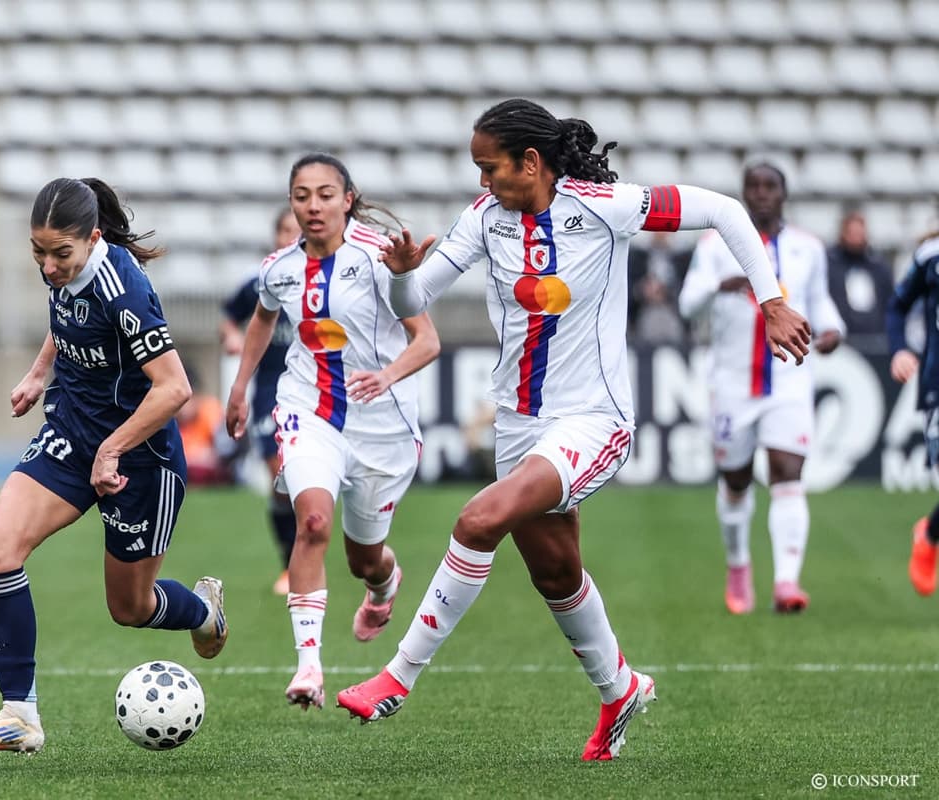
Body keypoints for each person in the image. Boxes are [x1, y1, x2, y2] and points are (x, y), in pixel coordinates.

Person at [335, 99, 811, 761]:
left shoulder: (606, 205)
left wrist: (773, 301)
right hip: (518, 426)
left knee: (478, 521)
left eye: (489, 167)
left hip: (593, 419)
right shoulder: (483, 219)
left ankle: (398, 676)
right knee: (556, 574)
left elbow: (726, 211)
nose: (482, 182)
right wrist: (403, 275)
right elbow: (414, 303)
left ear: (530, 162)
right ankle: (620, 690)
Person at [0, 178, 228, 753]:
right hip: (72, 437)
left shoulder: (123, 286)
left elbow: (174, 388)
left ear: (93, 238)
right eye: (38, 253)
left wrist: (113, 449)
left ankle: (203, 611)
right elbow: (66, 316)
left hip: (140, 460)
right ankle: (19, 717)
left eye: (60, 254)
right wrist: (38, 371)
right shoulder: (68, 272)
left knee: (129, 608)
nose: (48, 267)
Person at [225, 153, 440, 710]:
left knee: (364, 558)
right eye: (302, 195)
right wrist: (240, 388)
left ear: (347, 199)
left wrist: (386, 375)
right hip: (307, 409)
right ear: (291, 202)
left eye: (325, 194)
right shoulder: (279, 267)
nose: (313, 206)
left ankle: (381, 587)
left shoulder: (378, 258)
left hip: (383, 428)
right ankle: (309, 668)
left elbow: (427, 341)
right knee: (313, 521)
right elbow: (262, 317)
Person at [678, 162, 844, 616]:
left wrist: (831, 331)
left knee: (788, 472)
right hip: (732, 383)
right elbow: (688, 305)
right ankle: (738, 565)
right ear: (744, 194)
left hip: (789, 379)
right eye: (753, 186)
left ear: (784, 193)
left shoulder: (808, 248)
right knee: (735, 480)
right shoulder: (716, 245)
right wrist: (719, 285)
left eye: (770, 186)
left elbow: (819, 302)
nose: (761, 193)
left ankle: (787, 582)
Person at [220, 207, 302, 594]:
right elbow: (229, 317)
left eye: (295, 230)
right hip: (270, 387)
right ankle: (291, 565)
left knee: (306, 480)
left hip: (313, 388)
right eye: (284, 229)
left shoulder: (325, 280)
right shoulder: (260, 283)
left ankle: (309, 560)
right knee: (278, 473)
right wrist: (232, 337)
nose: (290, 236)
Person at [887, 229, 939, 596]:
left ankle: (930, 531)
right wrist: (899, 349)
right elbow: (897, 306)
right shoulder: (930, 255)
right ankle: (930, 535)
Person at [827, 208, 894, 353]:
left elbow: (888, 301)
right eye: (852, 233)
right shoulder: (829, 265)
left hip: (875, 341)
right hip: (841, 343)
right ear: (843, 233)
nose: (856, 238)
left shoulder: (879, 267)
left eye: (859, 234)